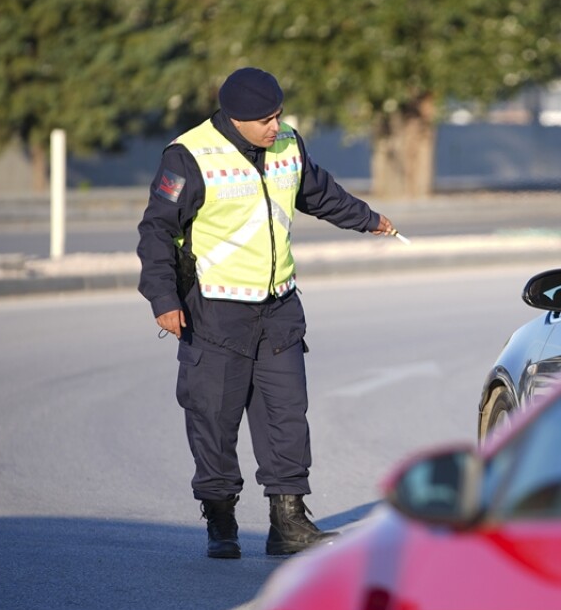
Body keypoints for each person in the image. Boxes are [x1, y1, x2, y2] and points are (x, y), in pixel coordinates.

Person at [137, 67, 398, 559]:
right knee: (213, 419)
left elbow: (318, 193)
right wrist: (164, 299)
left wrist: (368, 219)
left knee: (287, 416)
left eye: (278, 115)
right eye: (264, 121)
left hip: (278, 308)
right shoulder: (189, 156)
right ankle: (220, 516)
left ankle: (289, 521)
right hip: (215, 312)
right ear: (235, 118)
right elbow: (155, 231)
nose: (274, 127)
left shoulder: (288, 145)